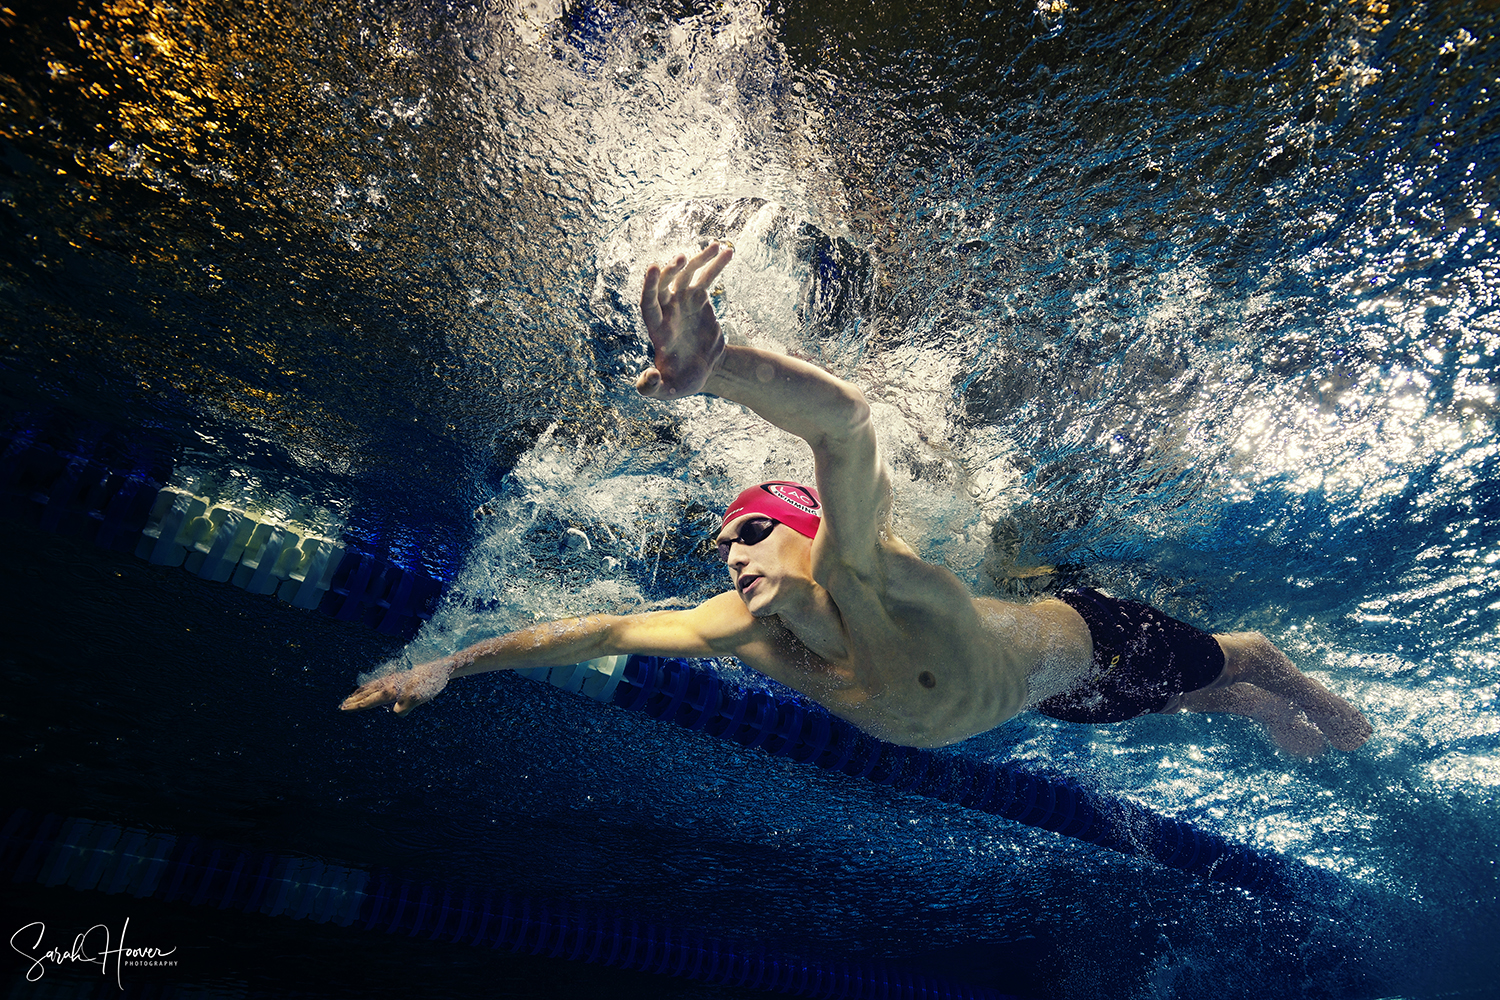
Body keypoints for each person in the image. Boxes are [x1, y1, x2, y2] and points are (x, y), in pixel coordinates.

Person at [342, 242, 1372, 756]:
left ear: (807, 536)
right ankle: (1242, 705)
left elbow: (844, 426)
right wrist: (448, 664)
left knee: (1230, 662)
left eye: (752, 529)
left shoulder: (862, 573)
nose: (728, 546)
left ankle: (1299, 691)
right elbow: (594, 627)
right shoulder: (737, 629)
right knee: (1182, 702)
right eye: (725, 531)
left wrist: (724, 369)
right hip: (1036, 694)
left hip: (1092, 637)